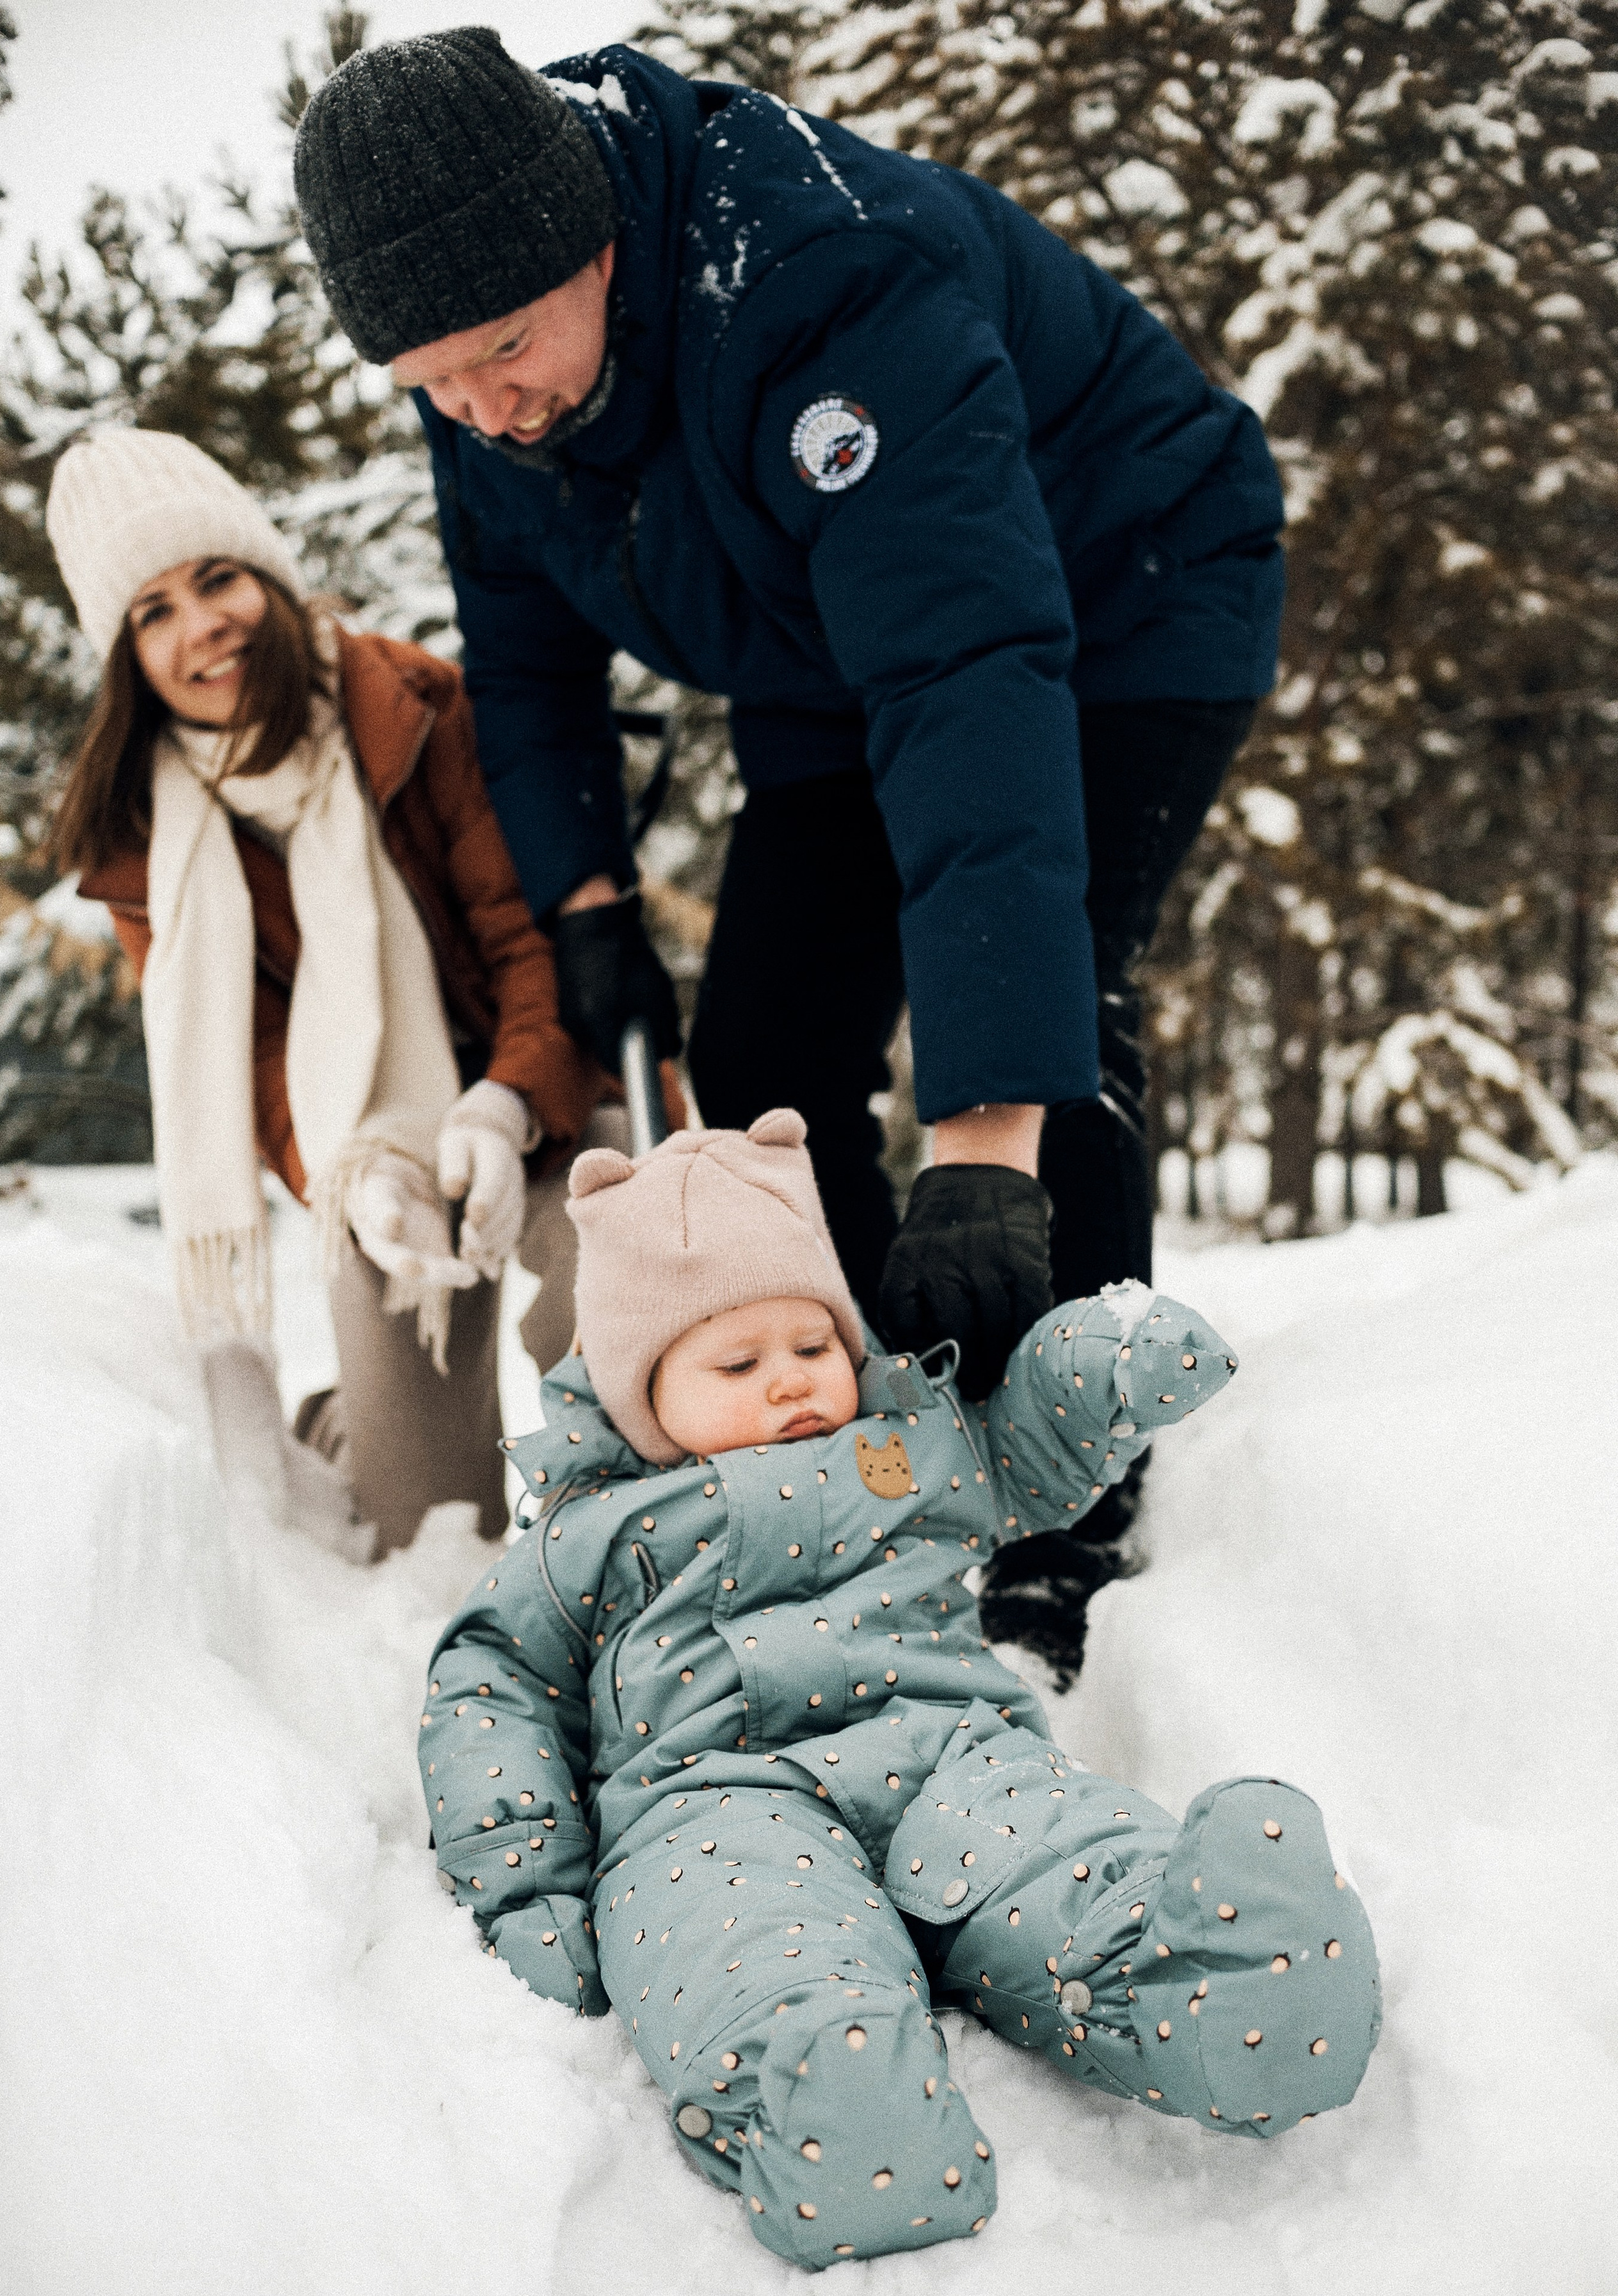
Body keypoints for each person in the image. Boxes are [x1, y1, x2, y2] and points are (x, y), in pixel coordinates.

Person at [291, 29, 1283, 1642]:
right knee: (760, 1054)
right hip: (823, 636)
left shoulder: (816, 281)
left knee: (1052, 1024)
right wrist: (591, 907)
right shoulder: (481, 371)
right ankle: (870, 1447)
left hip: (1125, 592)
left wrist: (979, 1140)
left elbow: (965, 675)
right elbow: (525, 660)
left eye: (498, 349)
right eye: (429, 383)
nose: (481, 408)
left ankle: (1058, 1511)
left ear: (593, 239)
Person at [421, 1112, 1380, 2268]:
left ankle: (1220, 1978)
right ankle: (830, 2106)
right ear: (641, 1397)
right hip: (715, 1796)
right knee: (747, 1935)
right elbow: (492, 1680)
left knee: (1057, 1849)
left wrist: (1103, 1363)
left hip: (949, 1754)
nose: (790, 1383)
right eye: (737, 1364)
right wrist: (526, 1879)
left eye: (812, 1346)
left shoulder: (905, 1447)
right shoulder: (591, 1534)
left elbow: (1026, 1450)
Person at [48, 426, 621, 1557]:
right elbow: (251, 1065)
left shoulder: (413, 710)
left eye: (216, 580)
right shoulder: (144, 846)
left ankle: (640, 1551)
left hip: (548, 1098)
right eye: (151, 612)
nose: (198, 627)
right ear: (124, 654)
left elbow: (528, 939)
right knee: (427, 1524)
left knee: (609, 1310)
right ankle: (339, 1422)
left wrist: (503, 1111)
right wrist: (349, 1185)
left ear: (265, 573)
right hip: (381, 1159)